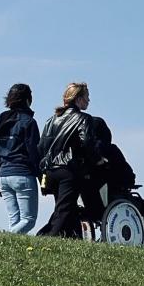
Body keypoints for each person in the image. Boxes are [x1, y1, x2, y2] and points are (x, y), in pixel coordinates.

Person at [84, 117, 144, 246]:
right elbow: (129, 176)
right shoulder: (111, 151)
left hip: (90, 205)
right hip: (114, 201)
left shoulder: (82, 155)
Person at [36, 82, 101, 238]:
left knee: (67, 209)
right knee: (64, 210)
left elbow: (41, 147)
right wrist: (97, 159)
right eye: (86, 97)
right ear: (78, 99)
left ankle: (73, 238)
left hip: (50, 171)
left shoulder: (51, 120)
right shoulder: (84, 118)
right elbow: (87, 143)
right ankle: (46, 237)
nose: (89, 100)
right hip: (68, 169)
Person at [0, 83, 41, 234]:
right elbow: (34, 153)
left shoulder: (1, 123)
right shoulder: (29, 122)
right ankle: (2, 240)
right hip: (22, 174)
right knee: (28, 220)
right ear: (28, 100)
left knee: (15, 220)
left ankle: (8, 245)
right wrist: (42, 177)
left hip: (3, 176)